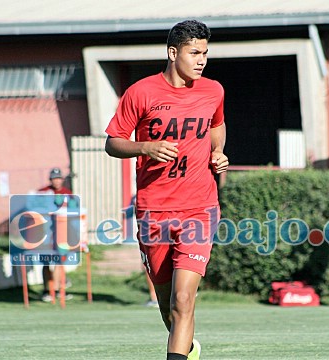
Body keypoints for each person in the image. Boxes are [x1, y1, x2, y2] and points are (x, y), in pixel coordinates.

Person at [105, 19, 228, 360]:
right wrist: (145, 148)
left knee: (183, 300)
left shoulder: (213, 90)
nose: (201, 60)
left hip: (199, 208)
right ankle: (188, 348)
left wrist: (217, 152)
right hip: (153, 211)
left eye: (205, 53)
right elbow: (113, 143)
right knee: (167, 308)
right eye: (194, 53)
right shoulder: (141, 93)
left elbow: (217, 126)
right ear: (173, 53)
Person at [38, 167, 73, 302]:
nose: (56, 181)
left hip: (61, 234)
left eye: (58, 178)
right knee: (46, 262)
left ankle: (58, 289)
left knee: (59, 261)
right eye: (54, 178)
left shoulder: (67, 194)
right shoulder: (43, 192)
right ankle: (47, 289)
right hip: (46, 234)